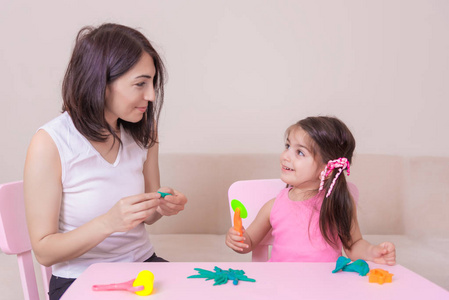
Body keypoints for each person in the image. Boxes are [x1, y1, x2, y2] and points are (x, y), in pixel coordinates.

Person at [23, 23, 187, 299]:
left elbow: (148, 216)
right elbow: (44, 251)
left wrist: (161, 204)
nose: (151, 96)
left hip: (143, 268)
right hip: (80, 279)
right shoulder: (50, 143)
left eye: (152, 83)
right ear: (101, 82)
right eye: (140, 84)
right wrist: (108, 222)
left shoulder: (145, 131)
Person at [225, 116, 396, 265]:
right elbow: (250, 242)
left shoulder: (337, 204)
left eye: (299, 152)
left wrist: (373, 252)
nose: (286, 155)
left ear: (326, 169)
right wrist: (239, 240)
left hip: (324, 285)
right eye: (287, 146)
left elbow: (354, 245)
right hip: (280, 283)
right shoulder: (274, 206)